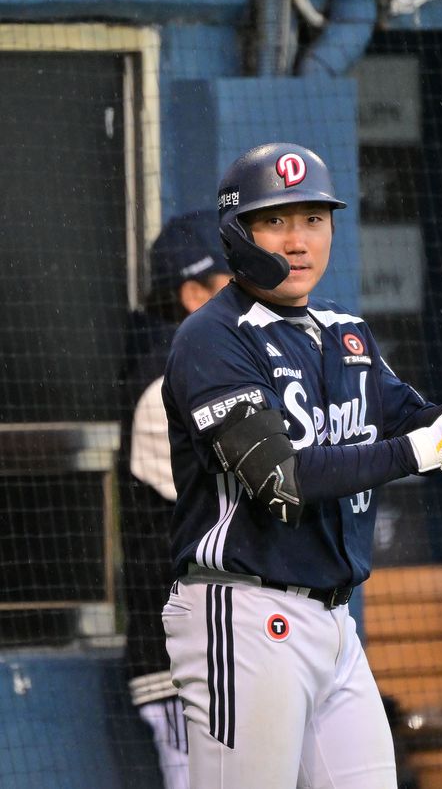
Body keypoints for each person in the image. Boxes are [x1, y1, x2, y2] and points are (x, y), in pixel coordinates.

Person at [161, 143, 442, 789]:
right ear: (236, 233)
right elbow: (281, 482)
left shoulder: (344, 333)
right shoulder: (213, 338)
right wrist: (428, 448)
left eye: (314, 219)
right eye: (275, 221)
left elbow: (418, 426)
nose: (298, 241)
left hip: (335, 622)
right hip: (243, 614)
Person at [118, 210, 231, 789]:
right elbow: (237, 507)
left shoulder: (210, 366)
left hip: (226, 647)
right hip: (181, 660)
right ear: (193, 294)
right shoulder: (165, 382)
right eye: (233, 284)